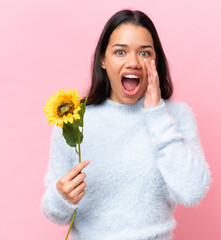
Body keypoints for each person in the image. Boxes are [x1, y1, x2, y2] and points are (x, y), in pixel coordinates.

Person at [41, 9, 211, 240]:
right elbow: (55, 213)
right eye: (120, 51)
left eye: (144, 53)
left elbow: (191, 193)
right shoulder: (73, 119)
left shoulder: (176, 116)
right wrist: (61, 197)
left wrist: (156, 115)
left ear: (156, 60)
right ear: (103, 59)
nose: (133, 62)